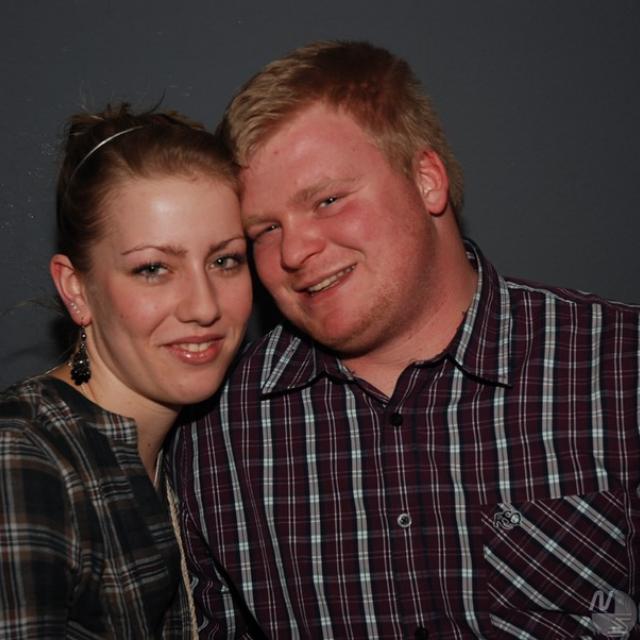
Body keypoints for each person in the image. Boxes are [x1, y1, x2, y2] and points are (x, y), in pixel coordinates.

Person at [171, 41, 640, 639]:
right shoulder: (215, 433)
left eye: (328, 200)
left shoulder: (619, 367)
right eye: (264, 229)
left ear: (426, 180)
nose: (294, 251)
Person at [0, 103, 253, 638]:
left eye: (225, 260)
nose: (204, 306)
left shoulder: (195, 452)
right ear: (76, 289)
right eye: (153, 268)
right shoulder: (22, 460)